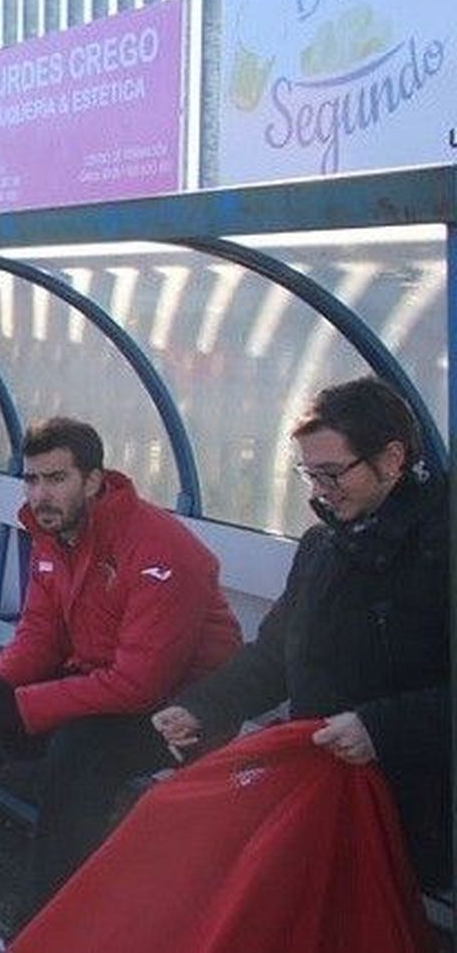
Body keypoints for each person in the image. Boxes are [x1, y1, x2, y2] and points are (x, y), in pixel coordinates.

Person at [0, 416, 241, 921]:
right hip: (99, 686)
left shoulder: (160, 550)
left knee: (80, 749)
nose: (40, 495)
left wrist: (28, 704)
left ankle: (45, 924)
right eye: (32, 479)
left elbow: (141, 685)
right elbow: (41, 630)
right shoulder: (55, 534)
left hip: (185, 712)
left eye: (56, 479)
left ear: (95, 481)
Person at [154, 376, 450, 889]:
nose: (319, 492)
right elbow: (275, 656)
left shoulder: (441, 547)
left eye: (333, 473)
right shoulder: (324, 547)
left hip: (417, 797)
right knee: (185, 832)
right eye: (310, 475)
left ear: (393, 459)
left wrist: (380, 729)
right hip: (326, 779)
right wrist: (203, 706)